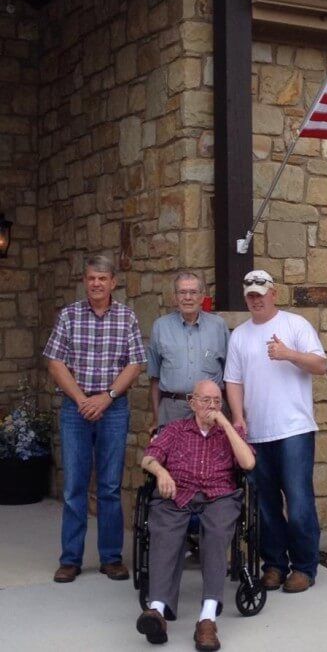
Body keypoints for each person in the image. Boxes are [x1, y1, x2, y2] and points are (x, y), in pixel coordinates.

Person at [43, 255, 146, 584]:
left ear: (113, 282)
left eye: (102, 278)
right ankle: (70, 559)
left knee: (110, 487)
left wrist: (107, 397)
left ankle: (111, 558)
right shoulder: (69, 316)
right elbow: (56, 362)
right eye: (91, 278)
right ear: (85, 281)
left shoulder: (127, 317)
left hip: (113, 408)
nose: (96, 284)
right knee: (74, 486)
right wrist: (82, 399)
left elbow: (134, 364)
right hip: (76, 408)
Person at [224, 270, 327, 594]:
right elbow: (233, 381)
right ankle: (274, 565)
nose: (256, 299)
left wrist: (288, 354)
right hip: (257, 434)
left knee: (298, 502)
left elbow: (320, 365)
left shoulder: (295, 325)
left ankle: (304, 567)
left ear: (274, 294)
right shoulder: (239, 335)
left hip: (294, 429)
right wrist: (238, 417)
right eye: (250, 295)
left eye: (261, 293)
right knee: (265, 506)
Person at [136, 379, 255, 650]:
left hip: (219, 496)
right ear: (191, 402)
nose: (211, 406)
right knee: (164, 530)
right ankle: (156, 611)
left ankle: (207, 619)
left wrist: (225, 424)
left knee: (215, 535)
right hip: (179, 493)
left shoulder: (230, 432)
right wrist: (161, 472)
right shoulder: (175, 430)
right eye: (205, 400)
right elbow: (147, 458)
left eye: (216, 401)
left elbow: (248, 463)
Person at [147, 270, 230, 431]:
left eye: (193, 292)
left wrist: (233, 417)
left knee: (211, 456)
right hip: (172, 411)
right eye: (182, 292)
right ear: (175, 297)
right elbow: (155, 378)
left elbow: (230, 377)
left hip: (210, 410)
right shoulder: (160, 327)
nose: (188, 298)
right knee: (172, 456)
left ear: (202, 296)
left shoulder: (218, 326)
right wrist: (157, 417)